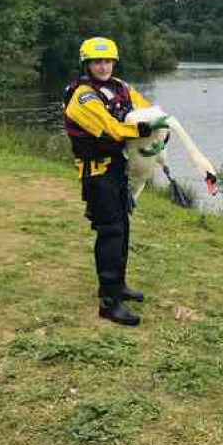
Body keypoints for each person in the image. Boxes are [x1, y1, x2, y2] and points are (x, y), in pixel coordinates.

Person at [63, 36, 169, 327]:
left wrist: (161, 127)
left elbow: (147, 110)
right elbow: (111, 130)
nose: (103, 66)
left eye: (107, 60)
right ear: (87, 64)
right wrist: (141, 129)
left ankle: (118, 284)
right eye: (97, 62)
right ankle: (109, 302)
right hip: (97, 172)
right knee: (110, 231)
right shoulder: (82, 96)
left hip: (119, 169)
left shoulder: (121, 87)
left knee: (122, 227)